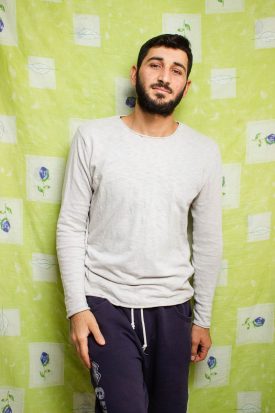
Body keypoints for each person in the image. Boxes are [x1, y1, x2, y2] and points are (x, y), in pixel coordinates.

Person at [56, 34, 223, 413]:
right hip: (105, 304)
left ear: (186, 85)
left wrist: (203, 319)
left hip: (174, 309)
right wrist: (77, 308)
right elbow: (70, 225)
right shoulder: (93, 138)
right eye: (155, 64)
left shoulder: (204, 152)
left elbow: (209, 241)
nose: (165, 76)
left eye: (176, 69)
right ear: (135, 73)